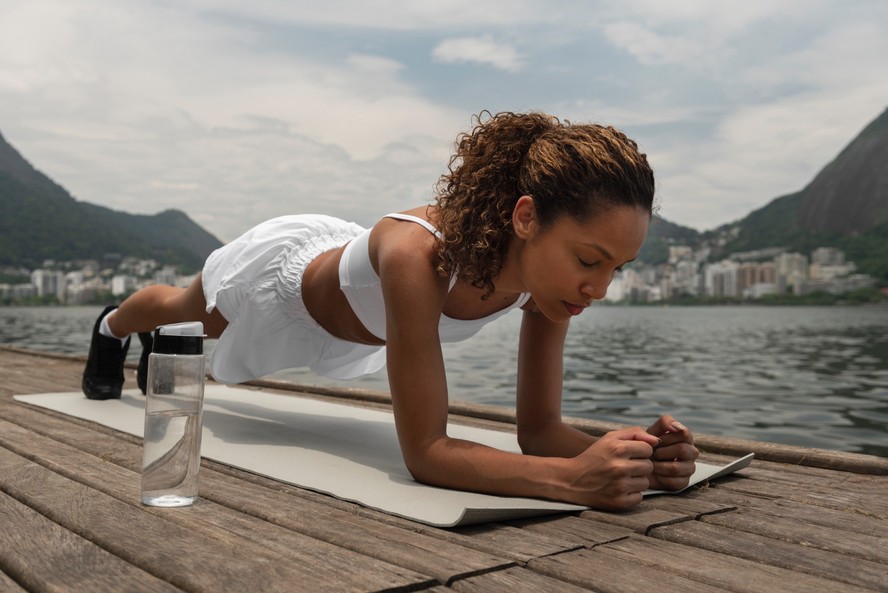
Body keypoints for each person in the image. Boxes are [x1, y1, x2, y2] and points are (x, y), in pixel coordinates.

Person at [82, 110, 698, 510]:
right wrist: (572, 482)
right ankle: (110, 327)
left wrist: (638, 457)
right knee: (182, 307)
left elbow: (537, 433)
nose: (600, 288)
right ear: (526, 217)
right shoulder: (418, 256)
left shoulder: (550, 293)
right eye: (590, 260)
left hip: (353, 310)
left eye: (617, 269)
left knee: (188, 318)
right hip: (279, 283)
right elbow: (426, 452)